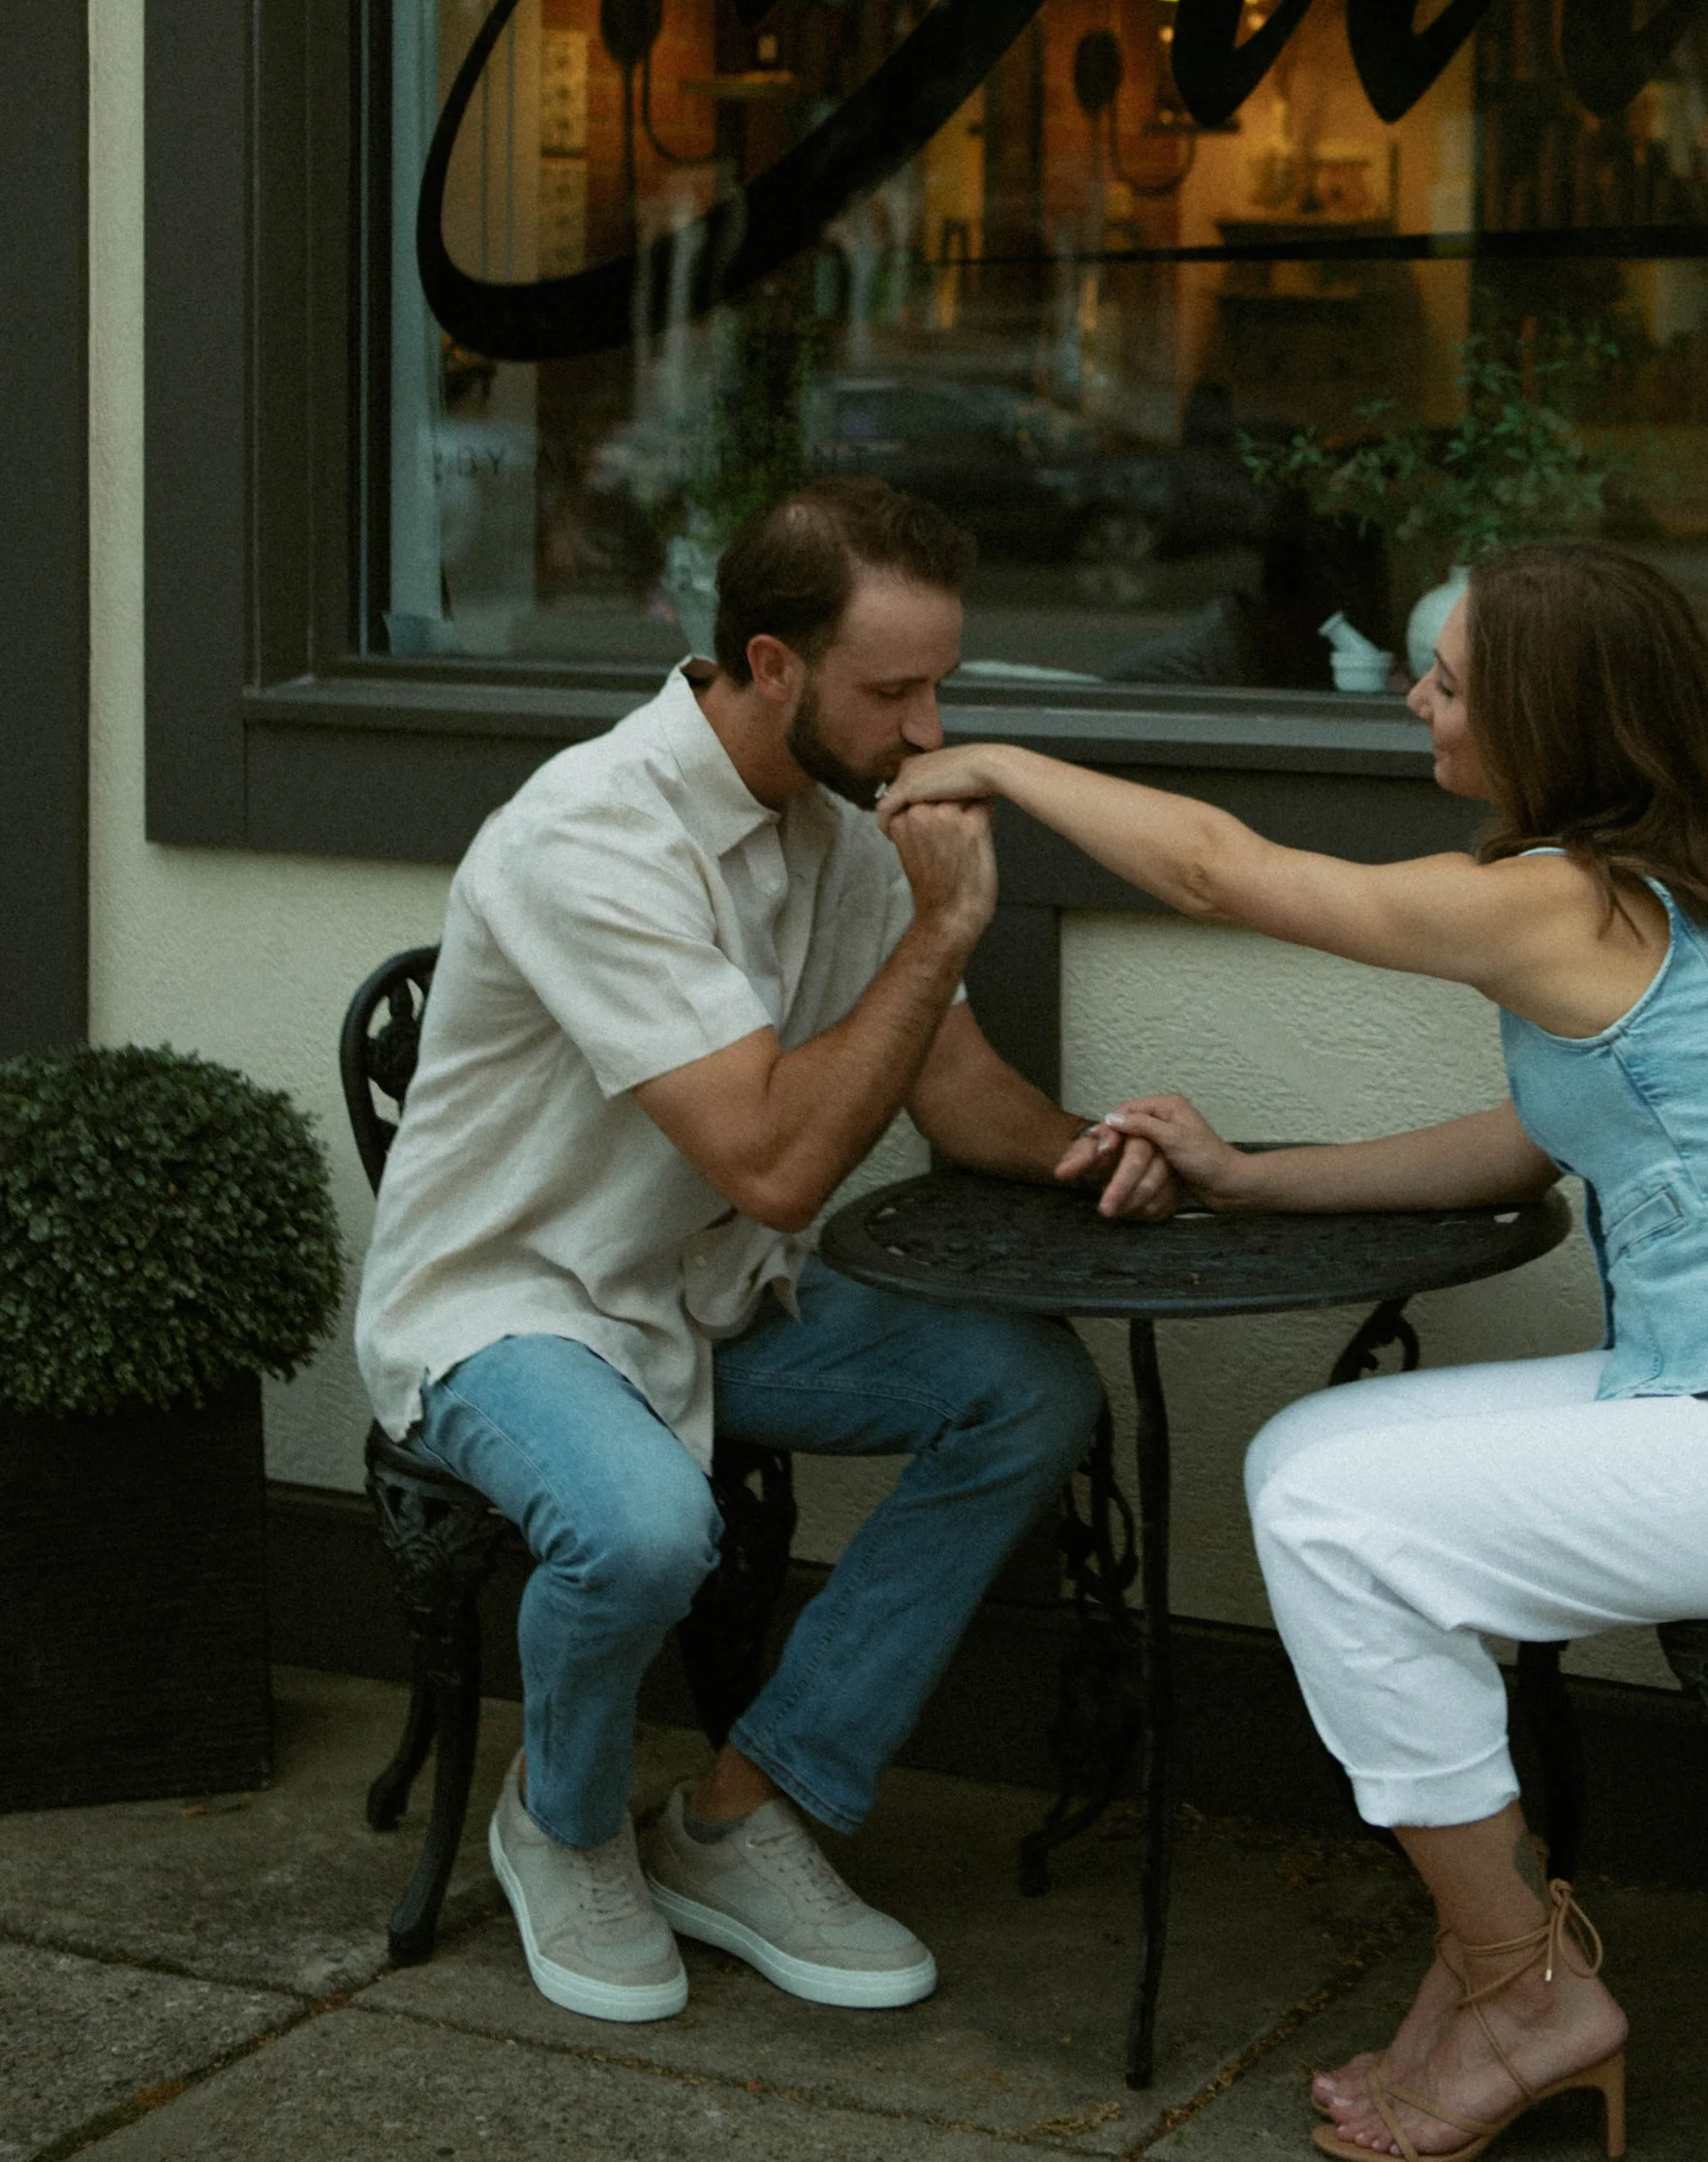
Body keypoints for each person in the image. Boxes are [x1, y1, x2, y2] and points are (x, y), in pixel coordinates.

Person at [880, 537, 1708, 2162]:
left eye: (1450, 682)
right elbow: (1525, 1141)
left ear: (1546, 711)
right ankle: (1499, 1949)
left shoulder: (1563, 898)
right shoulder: (1654, 876)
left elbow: (1215, 872)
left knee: (1334, 1520)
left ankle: (1523, 1985)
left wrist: (997, 756)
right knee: (1303, 1462)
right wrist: (1251, 1173)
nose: (1418, 699)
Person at [354, 478, 1177, 2032]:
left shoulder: (838, 819)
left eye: (944, 685)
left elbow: (958, 1090)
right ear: (770, 661)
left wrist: (1121, 1145)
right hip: (509, 1300)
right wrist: (942, 935)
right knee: (648, 1530)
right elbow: (776, 1158)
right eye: (894, 690)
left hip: (702, 1290)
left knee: (1024, 1391)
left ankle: (746, 1807)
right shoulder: (593, 833)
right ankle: (568, 1820)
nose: (929, 729)